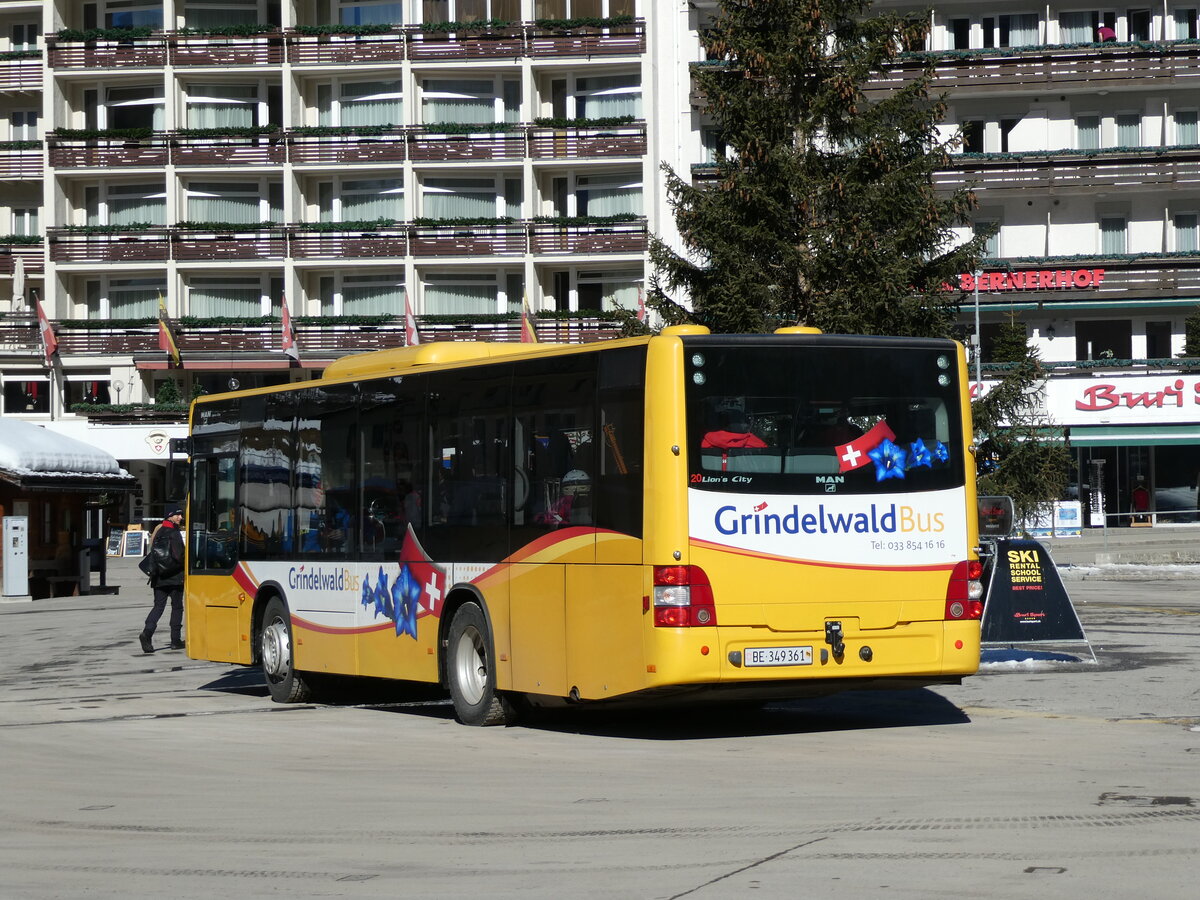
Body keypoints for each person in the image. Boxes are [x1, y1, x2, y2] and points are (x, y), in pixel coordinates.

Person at [138, 507, 185, 653]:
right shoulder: (174, 533)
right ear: (169, 517)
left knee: (158, 606)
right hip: (174, 577)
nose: (180, 517)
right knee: (177, 607)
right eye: (177, 515)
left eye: (181, 515)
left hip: (158, 576)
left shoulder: (159, 531)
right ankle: (175, 640)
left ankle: (147, 633)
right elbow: (179, 556)